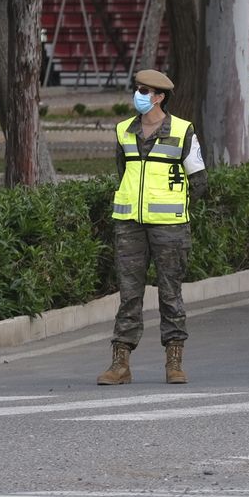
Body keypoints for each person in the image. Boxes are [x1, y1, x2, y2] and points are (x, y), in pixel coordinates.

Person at [98, 69, 208, 386]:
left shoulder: (183, 130)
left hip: (169, 227)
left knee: (170, 294)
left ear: (159, 97)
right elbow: (123, 174)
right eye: (138, 89)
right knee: (128, 295)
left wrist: (175, 205)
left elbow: (199, 181)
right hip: (129, 225)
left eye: (145, 91)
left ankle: (174, 363)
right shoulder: (124, 130)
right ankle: (120, 364)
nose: (139, 95)